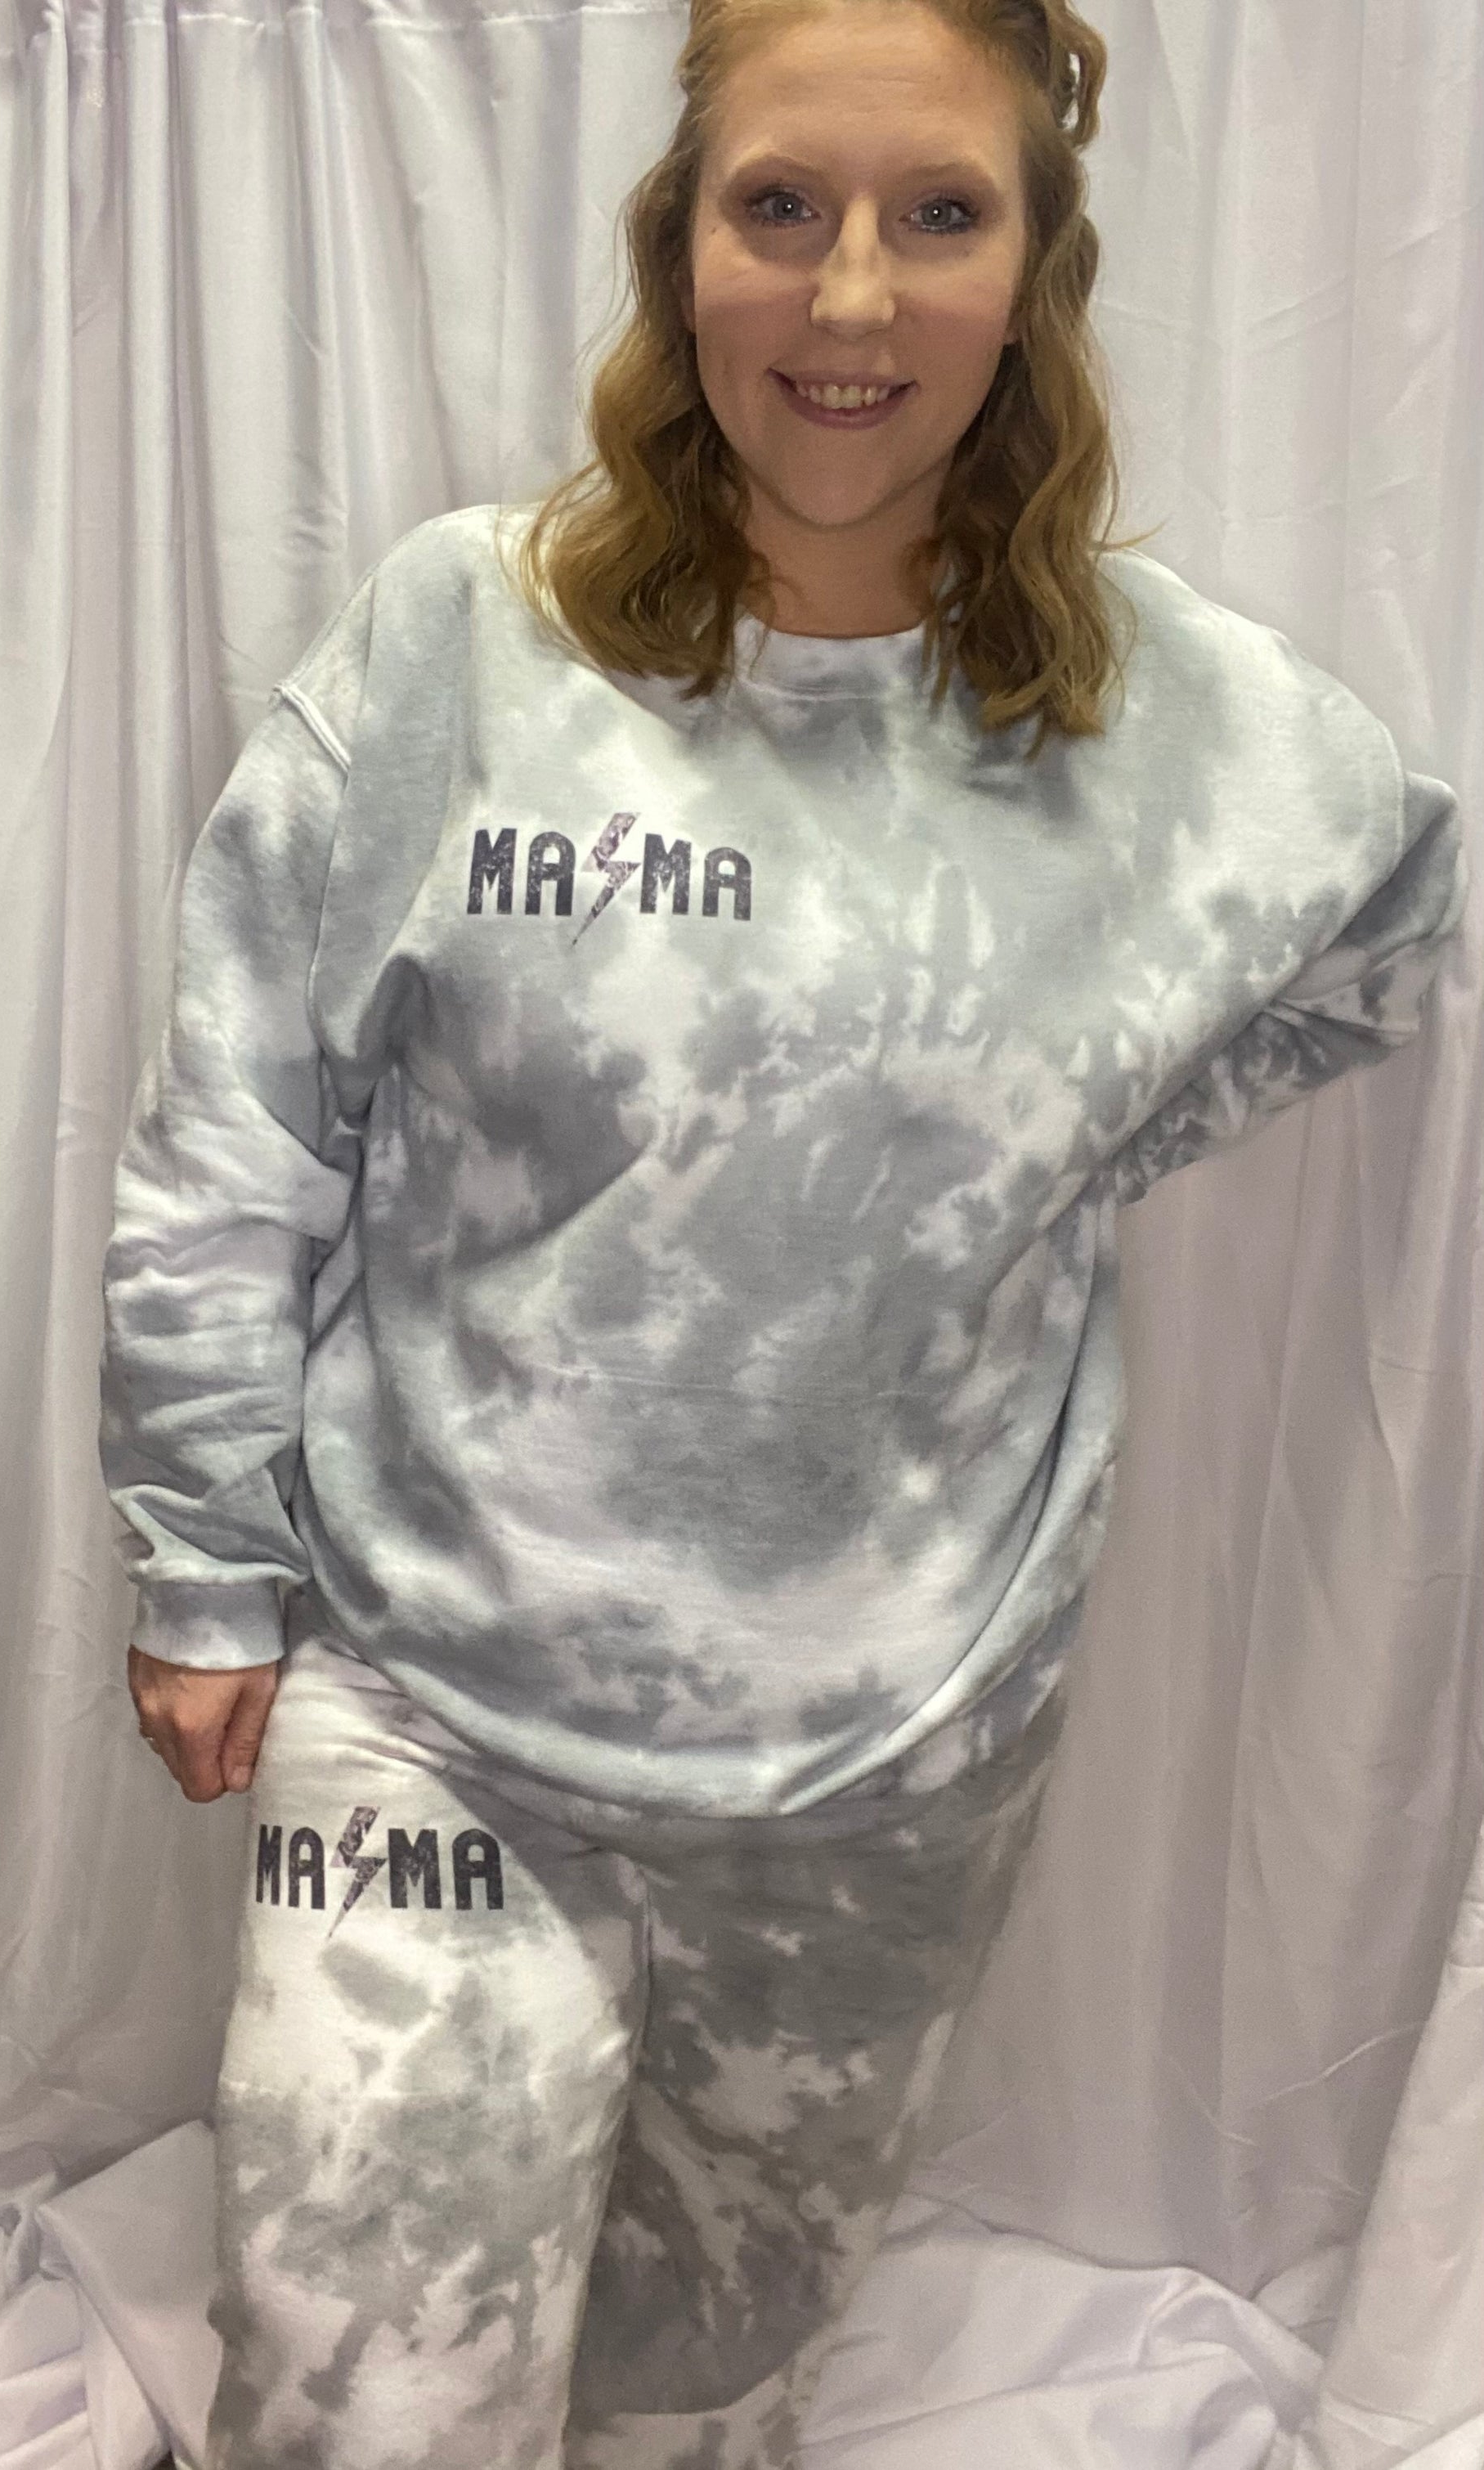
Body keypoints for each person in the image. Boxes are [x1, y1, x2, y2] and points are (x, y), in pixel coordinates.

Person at [98, 0, 1467, 2462]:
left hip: (893, 1752)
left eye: (938, 215)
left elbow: (1389, 921)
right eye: (781, 208)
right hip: (438, 1705)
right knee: (363, 2391)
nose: (851, 297)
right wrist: (203, 1561)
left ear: (1032, 274)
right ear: (679, 248)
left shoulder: (1178, 728)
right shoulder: (465, 640)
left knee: (706, 2384)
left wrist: (1062, 1131)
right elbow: (241, 1122)